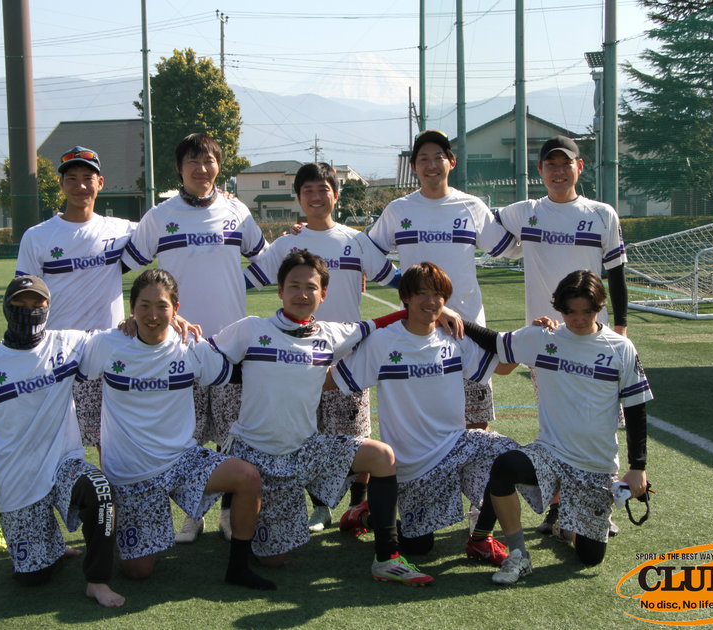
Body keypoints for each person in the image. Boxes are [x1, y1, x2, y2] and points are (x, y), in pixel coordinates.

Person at [211, 250, 433, 586]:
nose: (302, 294)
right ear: (279, 290)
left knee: (381, 456)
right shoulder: (251, 329)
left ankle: (387, 558)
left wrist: (430, 313)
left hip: (306, 451)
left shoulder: (330, 334)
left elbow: (375, 324)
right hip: (257, 457)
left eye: (311, 287)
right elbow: (203, 352)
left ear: (323, 294)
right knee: (273, 560)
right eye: (294, 286)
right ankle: (244, 510)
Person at [0, 146, 137, 558]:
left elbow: (172, 233)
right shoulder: (38, 236)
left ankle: (113, 526)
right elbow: (21, 300)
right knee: (35, 444)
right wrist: (4, 354)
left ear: (100, 183)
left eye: (88, 178)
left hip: (103, 360)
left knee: (110, 447)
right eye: (72, 178)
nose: (80, 186)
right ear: (61, 184)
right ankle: (16, 521)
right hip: (52, 363)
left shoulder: (121, 230)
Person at [78, 269, 274, 590]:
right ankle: (122, 521)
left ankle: (238, 568)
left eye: (162, 306)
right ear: (131, 308)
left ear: (176, 309)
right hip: (132, 475)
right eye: (144, 306)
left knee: (247, 477)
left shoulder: (189, 345)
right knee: (138, 571)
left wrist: (295, 366)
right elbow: (60, 362)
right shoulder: (108, 344)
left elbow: (234, 372)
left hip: (182, 462)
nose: (153, 315)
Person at [122, 133, 268, 543]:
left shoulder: (236, 211)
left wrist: (237, 284)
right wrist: (133, 315)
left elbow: (268, 258)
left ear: (219, 166)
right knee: (188, 434)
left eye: (209, 161)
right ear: (179, 168)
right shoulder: (159, 215)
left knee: (232, 433)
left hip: (229, 347)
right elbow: (124, 266)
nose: (201, 169)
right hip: (177, 346)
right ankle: (193, 514)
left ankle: (227, 511)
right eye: (192, 161)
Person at [465, 270, 652, 585]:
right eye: (570, 311)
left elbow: (636, 408)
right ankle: (518, 555)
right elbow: (495, 342)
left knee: (590, 557)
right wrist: (453, 318)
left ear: (600, 307)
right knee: (505, 466)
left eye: (587, 311)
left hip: (595, 467)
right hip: (550, 454)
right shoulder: (544, 338)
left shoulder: (620, 348)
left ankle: (565, 526)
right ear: (559, 309)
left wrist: (638, 467)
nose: (578, 319)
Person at [329, 262, 518, 565]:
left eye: (438, 295)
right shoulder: (382, 341)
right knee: (419, 547)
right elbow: (334, 380)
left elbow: (506, 366)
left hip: (457, 446)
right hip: (412, 465)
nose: (431, 301)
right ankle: (367, 514)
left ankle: (480, 540)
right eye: (422, 293)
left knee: (508, 458)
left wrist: (535, 332)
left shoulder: (454, 337)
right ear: (406, 297)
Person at [245, 162, 400, 532]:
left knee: (355, 433)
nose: (316, 197)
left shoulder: (356, 240)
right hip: (299, 360)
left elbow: (394, 279)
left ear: (336, 194)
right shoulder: (287, 244)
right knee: (309, 434)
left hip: (349, 357)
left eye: (323, 189)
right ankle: (320, 508)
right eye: (308, 191)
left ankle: (357, 506)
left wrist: (433, 299)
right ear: (298, 198)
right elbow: (244, 281)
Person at [0, 275, 124, 607]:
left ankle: (97, 581)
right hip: (17, 477)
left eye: (38, 303)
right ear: (6, 307)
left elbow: (115, 338)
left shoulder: (67, 343)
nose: (29, 310)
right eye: (21, 304)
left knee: (100, 489)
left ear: (48, 307)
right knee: (33, 578)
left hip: (64, 464)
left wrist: (138, 322)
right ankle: (50, 547)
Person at [494, 135, 630, 534]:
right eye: (550, 165)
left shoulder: (602, 214)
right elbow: (477, 221)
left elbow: (617, 275)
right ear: (539, 170)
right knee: (553, 427)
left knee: (598, 425)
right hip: (547, 342)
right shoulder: (525, 212)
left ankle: (598, 504)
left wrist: (620, 329)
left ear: (579, 167)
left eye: (565, 163)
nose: (558, 171)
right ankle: (557, 507)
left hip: (593, 339)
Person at [366, 129, 519, 433]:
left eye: (438, 157)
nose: (432, 165)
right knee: (423, 422)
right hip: (417, 333)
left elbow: (510, 248)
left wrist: (537, 221)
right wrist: (410, 292)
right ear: (413, 167)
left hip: (468, 331)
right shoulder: (399, 210)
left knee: (475, 424)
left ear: (452, 162)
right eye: (423, 159)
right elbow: (367, 254)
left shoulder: (471, 206)